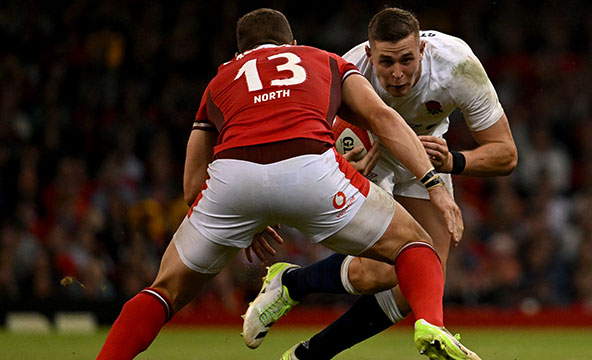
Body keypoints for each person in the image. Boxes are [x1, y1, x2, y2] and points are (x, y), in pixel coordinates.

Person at [96, 8, 480, 360]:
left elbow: (192, 183)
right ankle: (431, 324)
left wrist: (246, 216)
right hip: (310, 169)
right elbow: (382, 118)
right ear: (291, 45)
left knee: (165, 289)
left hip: (232, 177)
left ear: (240, 51)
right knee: (416, 247)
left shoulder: (221, 79)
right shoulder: (322, 59)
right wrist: (433, 184)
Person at [241, 7, 517, 360]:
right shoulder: (346, 69)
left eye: (406, 59)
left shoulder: (458, 66)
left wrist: (455, 161)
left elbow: (506, 154)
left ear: (422, 51)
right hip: (366, 149)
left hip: (427, 155)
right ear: (370, 54)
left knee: (415, 283)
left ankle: (306, 344)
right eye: (387, 62)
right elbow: (299, 141)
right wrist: (338, 160)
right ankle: (294, 289)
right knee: (384, 269)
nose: (398, 73)